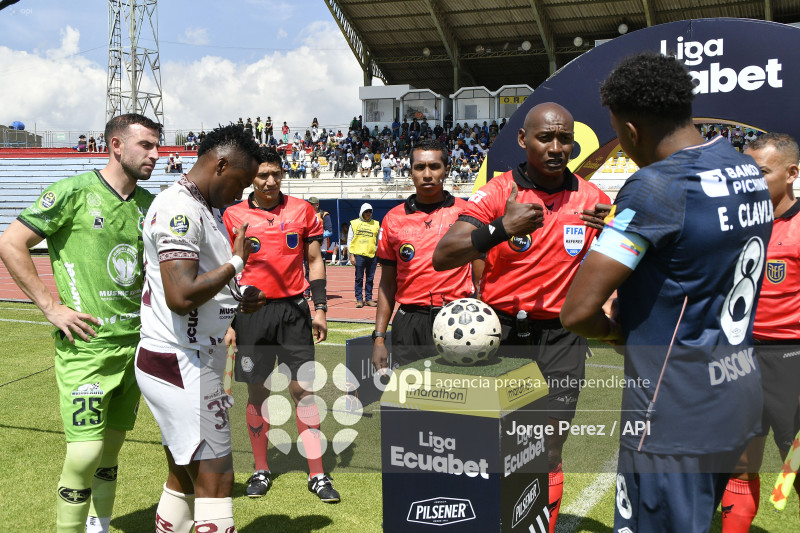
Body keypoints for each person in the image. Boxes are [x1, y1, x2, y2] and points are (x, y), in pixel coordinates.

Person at [559, 51, 772, 533]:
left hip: (670, 407)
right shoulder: (745, 172)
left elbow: (578, 311)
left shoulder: (657, 186)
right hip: (735, 386)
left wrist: (615, 334)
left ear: (630, 130)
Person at [432, 101, 611, 533]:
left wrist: (617, 233)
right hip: (503, 335)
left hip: (562, 338)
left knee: (549, 448)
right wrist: (500, 229)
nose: (555, 147)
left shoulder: (593, 200)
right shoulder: (499, 192)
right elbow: (444, 255)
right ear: (523, 139)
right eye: (545, 137)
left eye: (564, 138)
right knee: (495, 443)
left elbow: (620, 265)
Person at [0, 113, 159, 533]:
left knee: (111, 451)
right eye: (146, 145)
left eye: (157, 146)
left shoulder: (149, 205)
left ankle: (100, 524)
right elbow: (12, 242)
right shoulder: (72, 192)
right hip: (87, 348)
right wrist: (51, 307)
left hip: (135, 347)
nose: (156, 155)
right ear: (116, 145)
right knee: (85, 454)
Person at [135, 124, 264, 533]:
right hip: (180, 362)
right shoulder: (180, 209)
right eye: (241, 182)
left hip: (188, 358)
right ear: (221, 164)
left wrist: (235, 294)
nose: (242, 193)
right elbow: (181, 295)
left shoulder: (203, 207)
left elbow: (200, 284)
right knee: (218, 476)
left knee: (182, 471)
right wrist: (237, 264)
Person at [222, 148, 341, 503]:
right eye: (262, 175)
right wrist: (229, 320)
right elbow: (225, 269)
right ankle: (261, 469)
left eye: (276, 173)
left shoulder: (303, 211)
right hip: (251, 314)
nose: (270, 181)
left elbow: (316, 260)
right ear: (251, 179)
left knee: (303, 391)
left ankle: (317, 474)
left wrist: (319, 309)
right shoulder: (232, 215)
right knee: (257, 392)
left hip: (293, 312)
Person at [721, 132, 800, 532]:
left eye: (761, 172)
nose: (751, 181)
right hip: (740, 358)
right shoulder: (733, 225)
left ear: (791, 173)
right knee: (738, 462)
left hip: (791, 363)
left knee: (795, 467)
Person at [372, 140, 476, 370]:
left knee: (455, 398)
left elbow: (482, 275)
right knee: (410, 399)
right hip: (409, 322)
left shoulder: (466, 213)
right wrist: (379, 337)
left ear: (446, 170)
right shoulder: (393, 219)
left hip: (458, 318)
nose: (427, 174)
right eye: (420, 167)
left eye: (434, 166)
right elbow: (387, 284)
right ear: (410, 172)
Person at [348, 203, 380, 308]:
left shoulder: (376, 224)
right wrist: (351, 255)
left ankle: (369, 299)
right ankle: (359, 299)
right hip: (359, 254)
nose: (368, 213)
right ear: (362, 212)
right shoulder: (354, 223)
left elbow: (379, 241)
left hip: (372, 255)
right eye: (366, 211)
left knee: (370, 279)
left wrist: (379, 254)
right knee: (359, 278)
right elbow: (349, 240)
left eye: (370, 211)